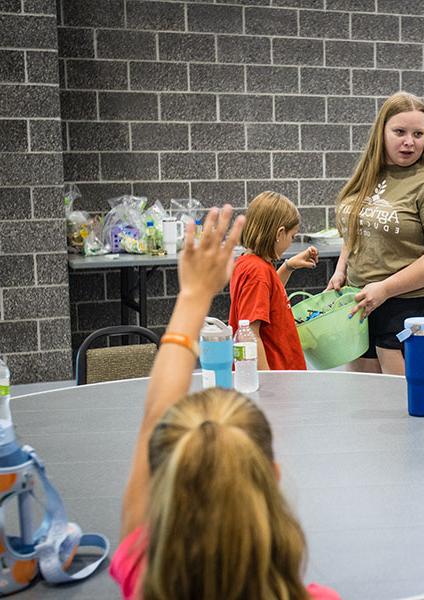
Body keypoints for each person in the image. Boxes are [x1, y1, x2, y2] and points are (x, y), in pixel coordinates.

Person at [111, 205, 339, 600]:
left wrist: (193, 295)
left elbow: (153, 424)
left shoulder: (144, 573)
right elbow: (253, 324)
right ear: (273, 477)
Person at [326, 91, 424, 376]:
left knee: (406, 403)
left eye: (418, 133)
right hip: (365, 299)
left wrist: (386, 289)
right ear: (382, 132)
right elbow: (357, 229)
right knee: (365, 397)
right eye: (400, 131)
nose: (409, 142)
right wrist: (341, 270)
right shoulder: (368, 175)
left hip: (417, 302)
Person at [229, 191, 319, 371]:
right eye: (292, 237)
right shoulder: (258, 273)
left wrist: (288, 267)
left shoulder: (249, 263)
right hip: (274, 378)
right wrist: (266, 382)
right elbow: (250, 335)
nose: (291, 243)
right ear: (280, 233)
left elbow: (267, 298)